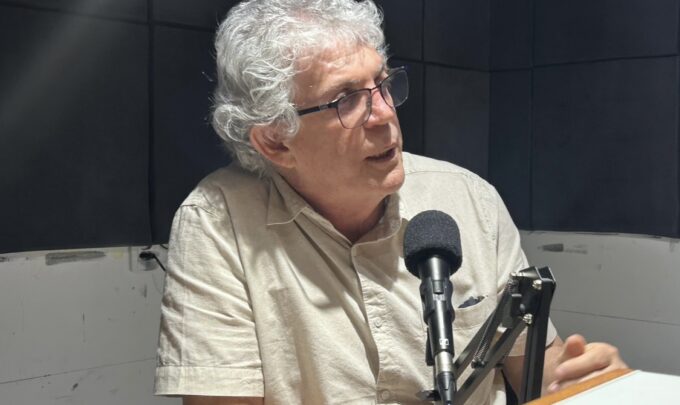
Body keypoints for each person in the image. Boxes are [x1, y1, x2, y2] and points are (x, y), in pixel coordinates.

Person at [154, 1, 627, 404]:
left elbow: (538, 374)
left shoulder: (469, 199)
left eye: (382, 84)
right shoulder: (217, 224)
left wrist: (586, 386)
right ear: (276, 141)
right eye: (345, 99)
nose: (384, 114)